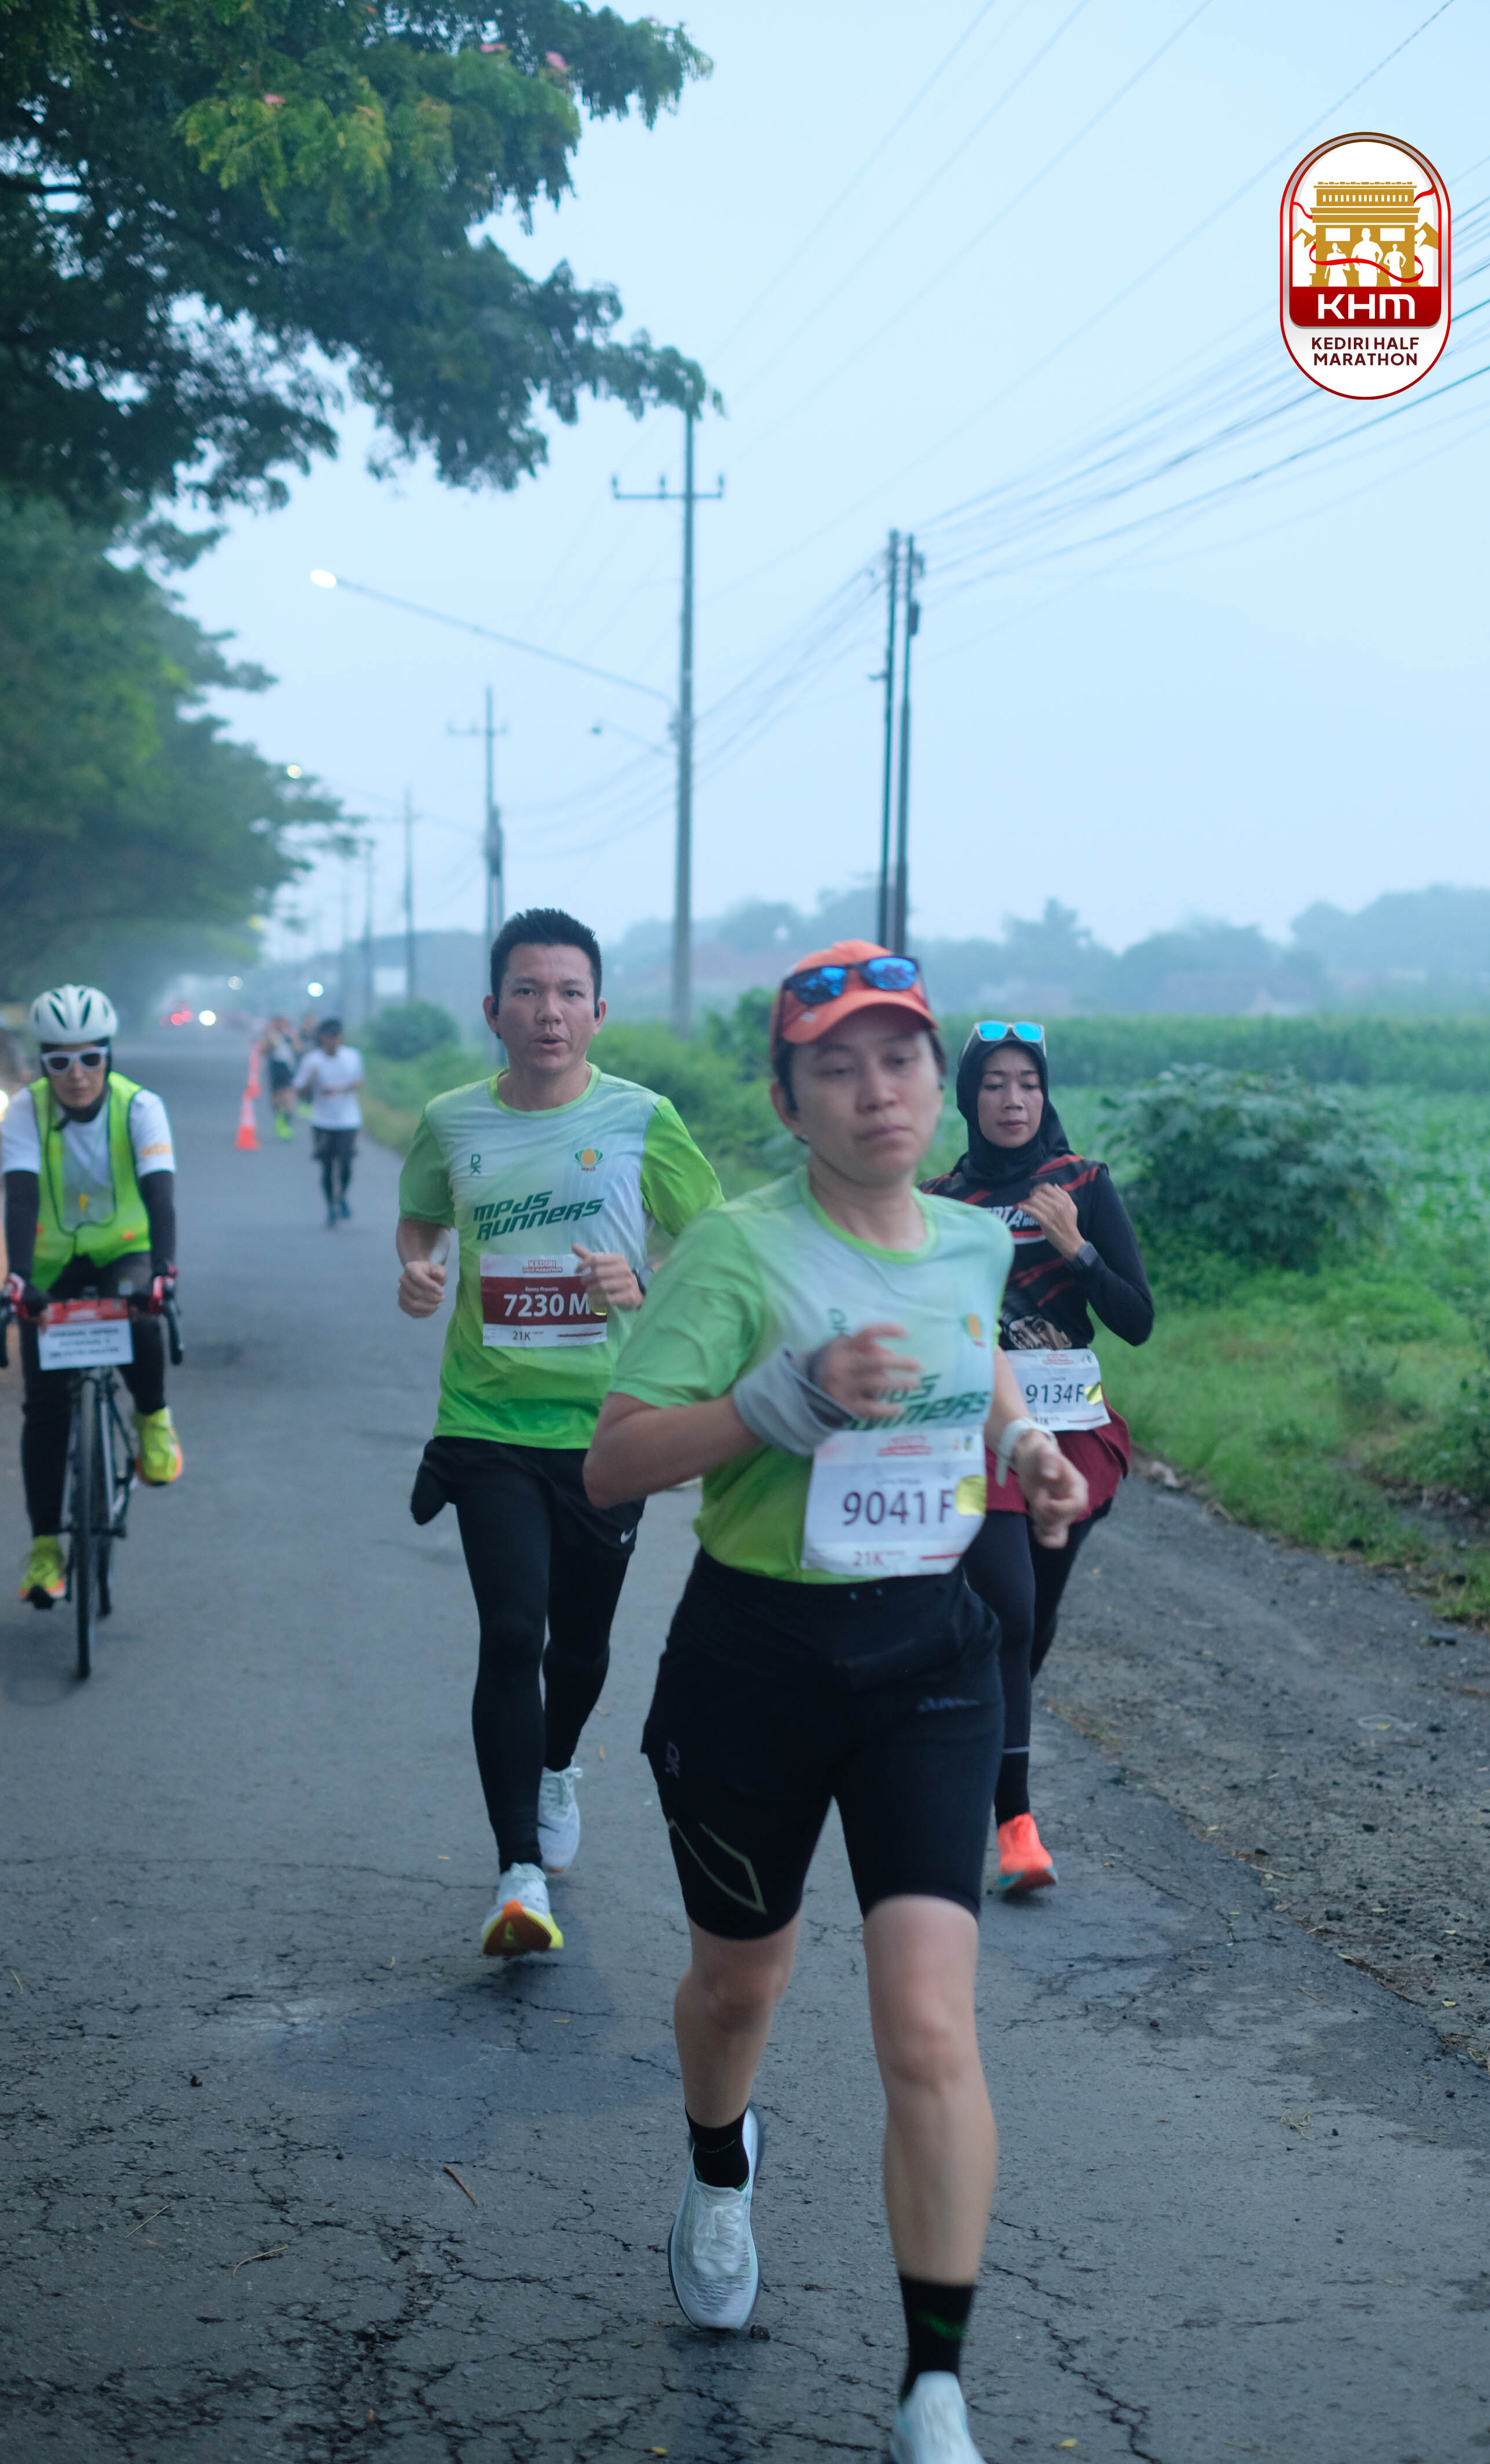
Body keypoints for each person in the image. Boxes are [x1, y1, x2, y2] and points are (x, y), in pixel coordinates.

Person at [582, 941, 1084, 2464]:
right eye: (839, 1066)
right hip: (758, 1658)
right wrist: (772, 1403)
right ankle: (718, 2162)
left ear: (940, 1081)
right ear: (789, 1096)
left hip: (932, 1656)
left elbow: (981, 1367)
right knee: (742, 1985)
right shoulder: (736, 1251)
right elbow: (613, 1462)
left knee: (927, 2023)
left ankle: (934, 2387)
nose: (880, 1091)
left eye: (902, 1059)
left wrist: (1026, 1449)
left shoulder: (971, 1239)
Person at [396, 907, 721, 1961]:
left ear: (599, 1011)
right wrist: (418, 1268)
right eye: (529, 992)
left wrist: (644, 1282)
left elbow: (716, 1250)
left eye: (569, 993)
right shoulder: (451, 1121)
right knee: (511, 1633)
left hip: (608, 1429)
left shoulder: (642, 1119)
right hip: (486, 1418)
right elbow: (421, 1217)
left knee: (579, 1647)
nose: (549, 1011)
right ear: (493, 1010)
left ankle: (554, 1765)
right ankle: (517, 1872)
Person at [923, 1025, 1152, 1896]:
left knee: (1031, 1622)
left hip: (1073, 1434)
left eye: (1027, 1082)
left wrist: (1076, 1249)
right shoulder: (942, 1201)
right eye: (994, 1084)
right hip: (985, 1432)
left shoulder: (1083, 1184)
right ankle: (1016, 1825)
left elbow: (1136, 1320)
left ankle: (984, 1730)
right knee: (1011, 1612)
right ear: (969, 1098)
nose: (1012, 1100)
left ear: (1045, 1093)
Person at [0, 984, 181, 1607]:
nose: (76, 1074)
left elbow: (160, 1194)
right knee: (45, 1410)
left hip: (123, 1251)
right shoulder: (24, 1110)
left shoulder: (141, 1107)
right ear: (42, 1062)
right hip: (51, 1261)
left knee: (140, 1313)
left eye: (90, 1058)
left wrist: (164, 1271)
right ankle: (45, 1548)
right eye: (59, 1061)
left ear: (108, 1054)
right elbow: (21, 1197)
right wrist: (19, 1278)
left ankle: (152, 1418)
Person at [293, 1018, 364, 1224]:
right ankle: (330, 1207)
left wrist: (344, 1088)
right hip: (322, 1121)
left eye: (336, 1038)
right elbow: (300, 1091)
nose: (332, 1042)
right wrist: (311, 1080)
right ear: (322, 1038)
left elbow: (358, 1083)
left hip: (348, 1120)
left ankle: (341, 1196)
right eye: (328, 1038)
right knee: (327, 1166)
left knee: (346, 1163)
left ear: (341, 1038)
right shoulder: (312, 1060)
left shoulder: (352, 1057)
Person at [260, 1015, 300, 1141]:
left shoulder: (291, 1035)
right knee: (276, 1100)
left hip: (287, 1069)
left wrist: (292, 1039)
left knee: (289, 1098)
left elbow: (298, 1050)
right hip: (275, 1069)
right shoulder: (271, 1036)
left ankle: (285, 1124)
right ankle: (279, 1119)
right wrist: (271, 1043)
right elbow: (263, 1051)